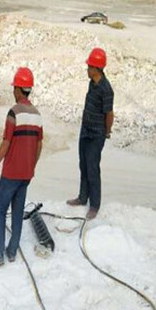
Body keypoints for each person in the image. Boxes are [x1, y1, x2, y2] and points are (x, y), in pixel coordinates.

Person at [0, 67, 43, 267]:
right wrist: (32, 167)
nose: (13, 91)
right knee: (17, 214)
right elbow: (39, 144)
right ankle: (11, 252)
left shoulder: (14, 113)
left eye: (14, 87)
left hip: (10, 174)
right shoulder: (37, 115)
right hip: (26, 174)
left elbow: (6, 143)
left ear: (19, 89)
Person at [67, 48, 114, 220]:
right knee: (83, 165)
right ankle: (82, 197)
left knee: (92, 168)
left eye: (89, 66)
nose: (87, 69)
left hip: (96, 134)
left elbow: (109, 113)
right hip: (85, 130)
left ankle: (94, 205)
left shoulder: (106, 89)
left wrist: (107, 132)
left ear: (96, 68)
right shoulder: (91, 83)